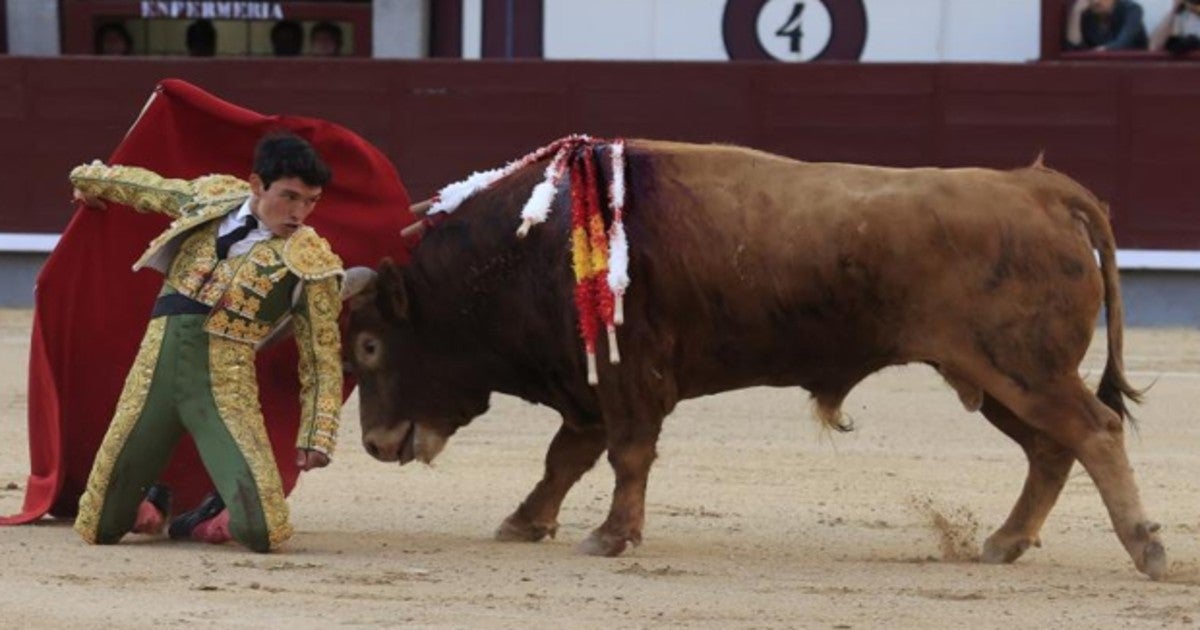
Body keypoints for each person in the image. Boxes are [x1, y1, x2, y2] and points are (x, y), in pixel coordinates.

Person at [70, 131, 346, 553]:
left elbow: (321, 354)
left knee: (263, 531)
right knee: (99, 527)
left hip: (223, 389)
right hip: (151, 378)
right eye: (289, 197)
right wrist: (87, 182)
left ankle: (207, 512)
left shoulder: (312, 262)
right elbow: (146, 188)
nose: (299, 213)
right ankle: (153, 495)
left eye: (311, 201)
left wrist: (317, 433)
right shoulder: (211, 198)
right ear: (257, 185)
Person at [1064, 0, 1149, 50]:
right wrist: (1076, 13)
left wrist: (1104, 51)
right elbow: (1073, 48)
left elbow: (1124, 40)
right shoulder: (1087, 15)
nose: (1095, 1)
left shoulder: (1132, 10)